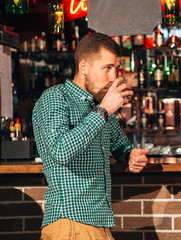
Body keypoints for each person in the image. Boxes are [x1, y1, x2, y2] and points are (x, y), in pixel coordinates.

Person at [32, 32, 149, 240]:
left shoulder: (99, 105)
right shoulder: (56, 98)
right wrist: (103, 111)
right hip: (69, 223)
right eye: (107, 68)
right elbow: (60, 150)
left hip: (98, 224)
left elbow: (120, 145)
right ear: (84, 67)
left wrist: (131, 155)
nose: (114, 77)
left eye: (116, 68)